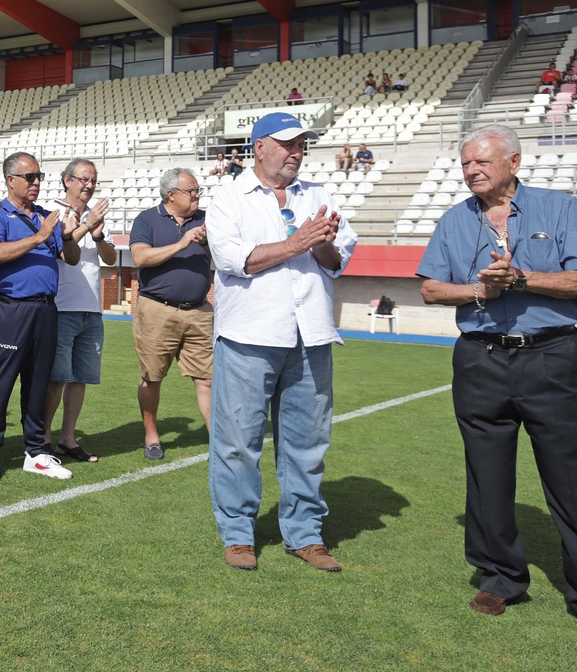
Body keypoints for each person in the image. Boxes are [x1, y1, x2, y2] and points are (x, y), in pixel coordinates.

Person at [417, 125, 577, 645]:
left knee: (573, 477)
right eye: (465, 164)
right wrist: (477, 288)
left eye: (482, 162)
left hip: (551, 359)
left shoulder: (559, 208)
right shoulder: (452, 220)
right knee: (487, 477)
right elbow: (429, 289)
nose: (472, 171)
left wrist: (520, 279)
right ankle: (500, 579)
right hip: (480, 360)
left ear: (513, 161)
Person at [205, 111, 356, 574]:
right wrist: (299, 242)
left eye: (301, 145)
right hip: (249, 334)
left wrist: (321, 243)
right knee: (237, 439)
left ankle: (305, 534)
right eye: (287, 144)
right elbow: (237, 261)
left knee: (308, 442)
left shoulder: (318, 194)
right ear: (259, 148)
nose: (296, 152)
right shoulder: (227, 199)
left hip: (310, 333)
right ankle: (237, 533)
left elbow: (336, 259)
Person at [0, 151, 80, 482]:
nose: (36, 183)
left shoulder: (47, 217)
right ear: (10, 180)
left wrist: (70, 233)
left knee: (38, 383)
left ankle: (36, 452)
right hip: (9, 309)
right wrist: (39, 236)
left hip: (45, 309)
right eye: (29, 177)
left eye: (39, 177)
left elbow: (72, 258)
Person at [128, 167, 213, 461]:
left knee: (208, 379)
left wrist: (206, 242)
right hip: (156, 311)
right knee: (152, 378)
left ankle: (217, 439)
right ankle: (151, 435)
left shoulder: (207, 219)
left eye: (198, 190)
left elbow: (229, 257)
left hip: (200, 312)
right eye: (192, 191)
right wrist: (181, 243)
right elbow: (140, 257)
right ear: (171, 194)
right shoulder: (147, 219)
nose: (197, 195)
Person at [45, 159, 112, 463]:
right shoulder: (52, 211)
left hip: (91, 309)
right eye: (84, 179)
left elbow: (110, 258)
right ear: (67, 180)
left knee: (80, 378)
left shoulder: (94, 218)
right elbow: (61, 250)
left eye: (93, 180)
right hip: (61, 306)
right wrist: (88, 224)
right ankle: (42, 439)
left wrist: (97, 233)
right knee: (57, 378)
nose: (89, 185)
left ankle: (67, 439)